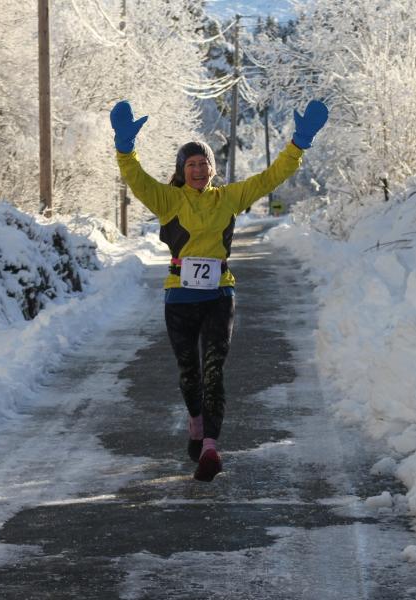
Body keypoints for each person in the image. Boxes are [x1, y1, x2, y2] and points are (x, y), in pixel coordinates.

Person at [110, 99, 328, 482]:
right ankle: (196, 423)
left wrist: (299, 143)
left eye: (204, 163)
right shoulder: (168, 200)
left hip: (218, 296)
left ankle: (210, 446)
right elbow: (135, 177)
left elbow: (269, 178)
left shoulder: (227, 198)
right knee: (189, 373)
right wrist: (125, 147)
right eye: (191, 164)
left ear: (212, 169)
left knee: (214, 372)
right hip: (179, 297)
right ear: (182, 170)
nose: (198, 169)